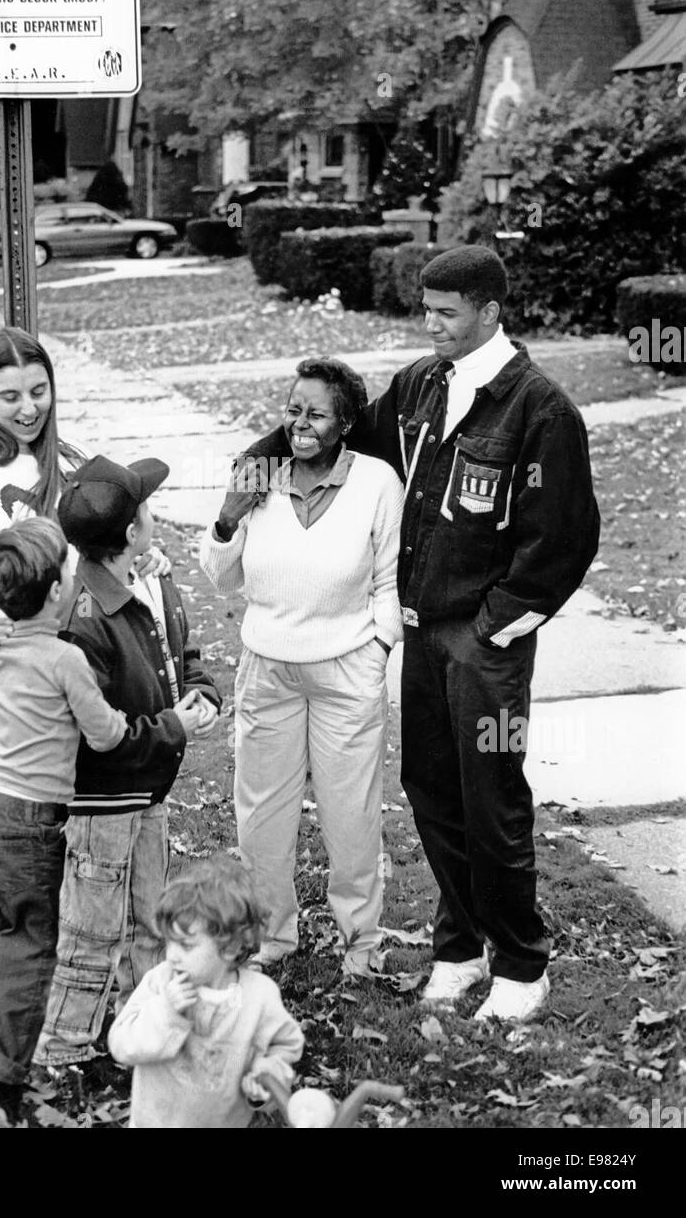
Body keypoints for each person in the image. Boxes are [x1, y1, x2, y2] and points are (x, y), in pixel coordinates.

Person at [242, 246, 600, 1021]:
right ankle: (459, 947)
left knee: (491, 794)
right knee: (431, 790)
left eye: (446, 313)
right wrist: (254, 468)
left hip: (485, 643)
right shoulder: (417, 388)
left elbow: (563, 541)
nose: (429, 325)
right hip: (419, 632)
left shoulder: (540, 410)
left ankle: (520, 961)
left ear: (489, 313)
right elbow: (330, 438)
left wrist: (497, 625)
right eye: (426, 310)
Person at [200, 358, 403, 979]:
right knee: (261, 814)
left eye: (316, 413)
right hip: (269, 669)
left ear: (346, 422)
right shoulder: (258, 476)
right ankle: (273, 936)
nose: (301, 423)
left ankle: (361, 941)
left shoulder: (375, 481)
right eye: (293, 410)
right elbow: (219, 576)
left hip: (346, 670)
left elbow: (390, 579)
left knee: (351, 813)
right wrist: (230, 514)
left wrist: (377, 650)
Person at [34, 455, 222, 1066]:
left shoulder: (149, 580)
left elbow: (178, 653)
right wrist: (174, 725)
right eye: (146, 506)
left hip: (149, 793)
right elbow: (93, 734)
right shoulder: (84, 622)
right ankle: (63, 1049)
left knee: (152, 923)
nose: (153, 512)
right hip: (101, 803)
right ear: (132, 532)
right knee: (92, 935)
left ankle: (143, 1026)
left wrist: (202, 691)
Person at [0, 518, 128, 1126]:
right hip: (29, 821)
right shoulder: (65, 657)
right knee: (28, 942)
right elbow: (102, 734)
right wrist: (126, 723)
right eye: (70, 575)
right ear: (54, 594)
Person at [0, 326, 168, 690]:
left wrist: (142, 557)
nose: (29, 409)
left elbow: (112, 543)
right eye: (11, 396)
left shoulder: (74, 455)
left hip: (96, 659)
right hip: (26, 678)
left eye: (38, 392)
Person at [108, 857, 304, 1129]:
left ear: (232, 946)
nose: (172, 955)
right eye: (169, 942)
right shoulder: (160, 984)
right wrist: (165, 1012)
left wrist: (266, 1076)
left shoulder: (258, 998)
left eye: (186, 946)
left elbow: (283, 1046)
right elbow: (121, 1043)